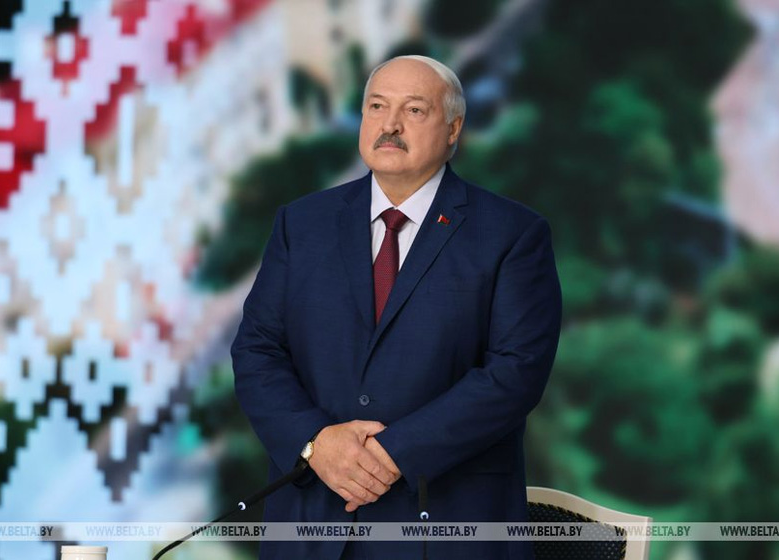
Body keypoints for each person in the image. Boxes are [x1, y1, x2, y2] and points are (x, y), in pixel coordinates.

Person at [231, 55, 562, 560]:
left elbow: (516, 371)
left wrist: (393, 453)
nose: (390, 124)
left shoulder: (512, 234)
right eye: (377, 107)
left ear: (453, 129)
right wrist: (315, 442)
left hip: (445, 525)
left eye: (414, 110)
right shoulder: (302, 224)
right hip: (312, 520)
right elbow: (257, 350)